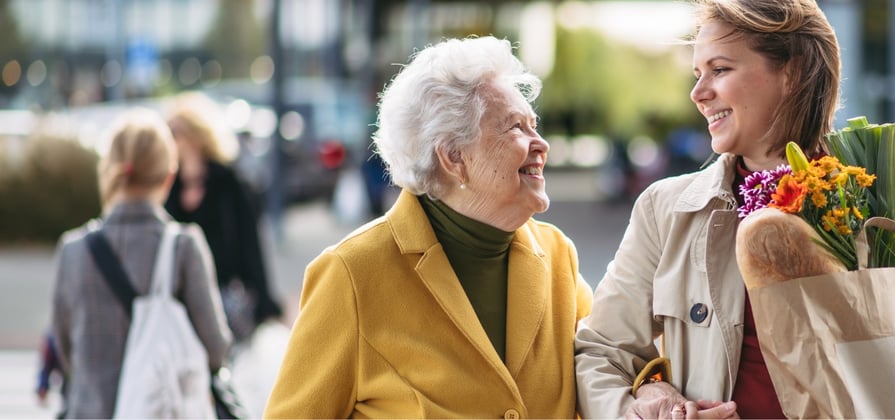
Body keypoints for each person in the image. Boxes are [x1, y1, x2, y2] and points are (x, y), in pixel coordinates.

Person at [574, 0, 895, 418]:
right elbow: (601, 353)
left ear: (793, 72)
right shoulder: (667, 210)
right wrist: (647, 400)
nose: (698, 92)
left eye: (720, 69)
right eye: (697, 72)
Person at [264, 36, 594, 418]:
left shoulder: (558, 256)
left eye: (534, 126)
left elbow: (608, 362)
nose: (541, 144)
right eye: (516, 128)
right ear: (454, 157)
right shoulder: (352, 274)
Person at [50, 109, 232, 418]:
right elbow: (216, 349)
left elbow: (64, 350)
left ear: (110, 169)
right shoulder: (183, 246)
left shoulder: (73, 250)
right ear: (169, 176)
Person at [163, 92, 283, 342]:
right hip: (181, 300)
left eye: (175, 132)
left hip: (226, 296)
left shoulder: (228, 182)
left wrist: (264, 299)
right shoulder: (167, 188)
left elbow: (251, 244)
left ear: (196, 135)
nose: (170, 140)